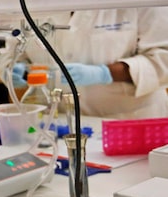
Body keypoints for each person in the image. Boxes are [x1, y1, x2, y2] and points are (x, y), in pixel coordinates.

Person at [13, 7, 168, 118]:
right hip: (57, 122)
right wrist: (13, 70)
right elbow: (11, 52)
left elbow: (163, 59)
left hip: (129, 121)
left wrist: (104, 74)